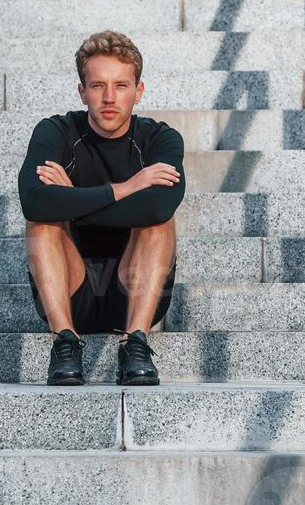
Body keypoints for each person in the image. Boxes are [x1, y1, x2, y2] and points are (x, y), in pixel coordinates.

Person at [16, 30, 185, 386]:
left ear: (138, 91)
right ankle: (64, 342)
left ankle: (135, 344)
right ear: (82, 91)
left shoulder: (160, 139)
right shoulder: (56, 132)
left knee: (160, 223)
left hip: (134, 291)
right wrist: (127, 188)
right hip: (69, 288)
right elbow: (32, 200)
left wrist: (71, 199)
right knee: (41, 221)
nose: (109, 98)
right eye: (97, 86)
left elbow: (158, 207)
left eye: (121, 85)